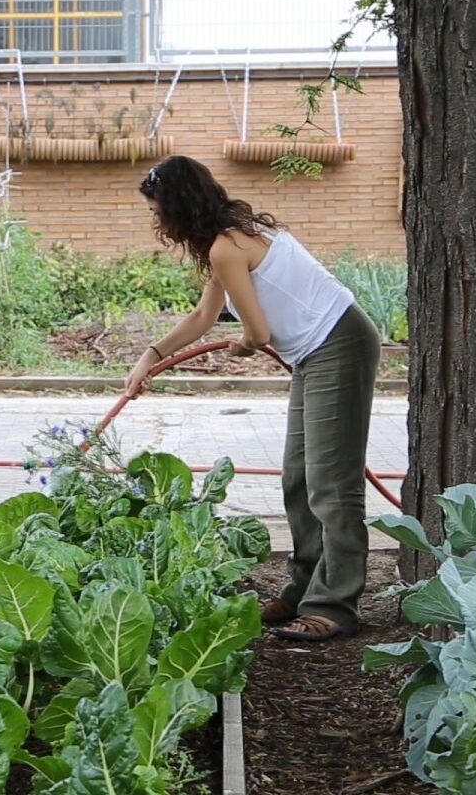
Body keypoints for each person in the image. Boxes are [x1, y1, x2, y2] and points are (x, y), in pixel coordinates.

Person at [126, 155, 380, 641]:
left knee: (332, 483)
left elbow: (257, 332)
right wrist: (150, 356)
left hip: (339, 342)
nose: (156, 219)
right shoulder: (229, 238)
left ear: (178, 207)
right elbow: (205, 316)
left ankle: (336, 606)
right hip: (316, 351)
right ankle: (306, 586)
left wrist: (244, 343)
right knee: (297, 476)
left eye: (158, 209)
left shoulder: (228, 246)